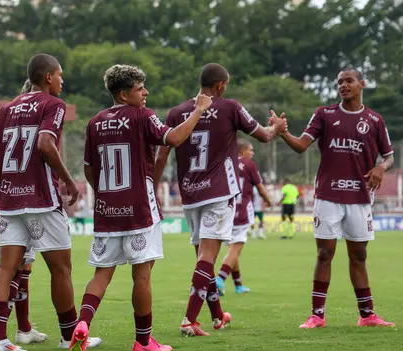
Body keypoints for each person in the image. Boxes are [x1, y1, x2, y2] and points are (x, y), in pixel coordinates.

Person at [69, 64, 212, 351]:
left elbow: (88, 169)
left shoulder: (94, 122)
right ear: (124, 94)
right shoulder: (142, 116)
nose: (145, 93)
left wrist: (108, 194)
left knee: (101, 273)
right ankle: (144, 341)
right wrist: (197, 111)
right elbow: (172, 139)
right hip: (139, 210)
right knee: (142, 275)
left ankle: (82, 323)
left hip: (107, 211)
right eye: (139, 88)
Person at [0, 53, 102, 351]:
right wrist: (69, 181)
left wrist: (3, 178)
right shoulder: (52, 105)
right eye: (60, 75)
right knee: (61, 269)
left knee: (6, 268)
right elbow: (45, 144)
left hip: (9, 201)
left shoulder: (7, 107)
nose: (62, 81)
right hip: (42, 199)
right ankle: (69, 336)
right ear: (48, 77)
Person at [155, 63, 287, 336]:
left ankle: (217, 315)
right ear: (220, 86)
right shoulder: (230, 107)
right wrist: (278, 128)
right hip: (218, 192)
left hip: (190, 193)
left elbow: (162, 155)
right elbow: (263, 136)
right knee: (207, 258)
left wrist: (154, 190)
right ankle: (189, 320)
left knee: (205, 259)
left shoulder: (178, 112)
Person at [275, 67, 395, 328]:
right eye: (339, 82)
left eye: (349, 81)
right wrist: (283, 132)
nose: (343, 85)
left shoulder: (375, 120)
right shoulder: (324, 114)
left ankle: (367, 315)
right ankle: (317, 315)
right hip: (328, 195)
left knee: (359, 256)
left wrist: (380, 168)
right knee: (324, 253)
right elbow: (301, 145)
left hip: (360, 197)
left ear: (361, 84)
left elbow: (389, 156)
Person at [0, 79, 47, 351]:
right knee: (13, 270)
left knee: (20, 269)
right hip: (15, 205)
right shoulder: (32, 122)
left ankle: (22, 328)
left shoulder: (6, 122)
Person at [216, 139, 272, 295]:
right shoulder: (249, 165)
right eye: (251, 150)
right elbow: (260, 188)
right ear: (242, 151)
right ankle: (219, 280)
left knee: (232, 250)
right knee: (236, 248)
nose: (252, 153)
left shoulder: (225, 163)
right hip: (241, 211)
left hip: (225, 211)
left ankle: (238, 285)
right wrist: (268, 201)